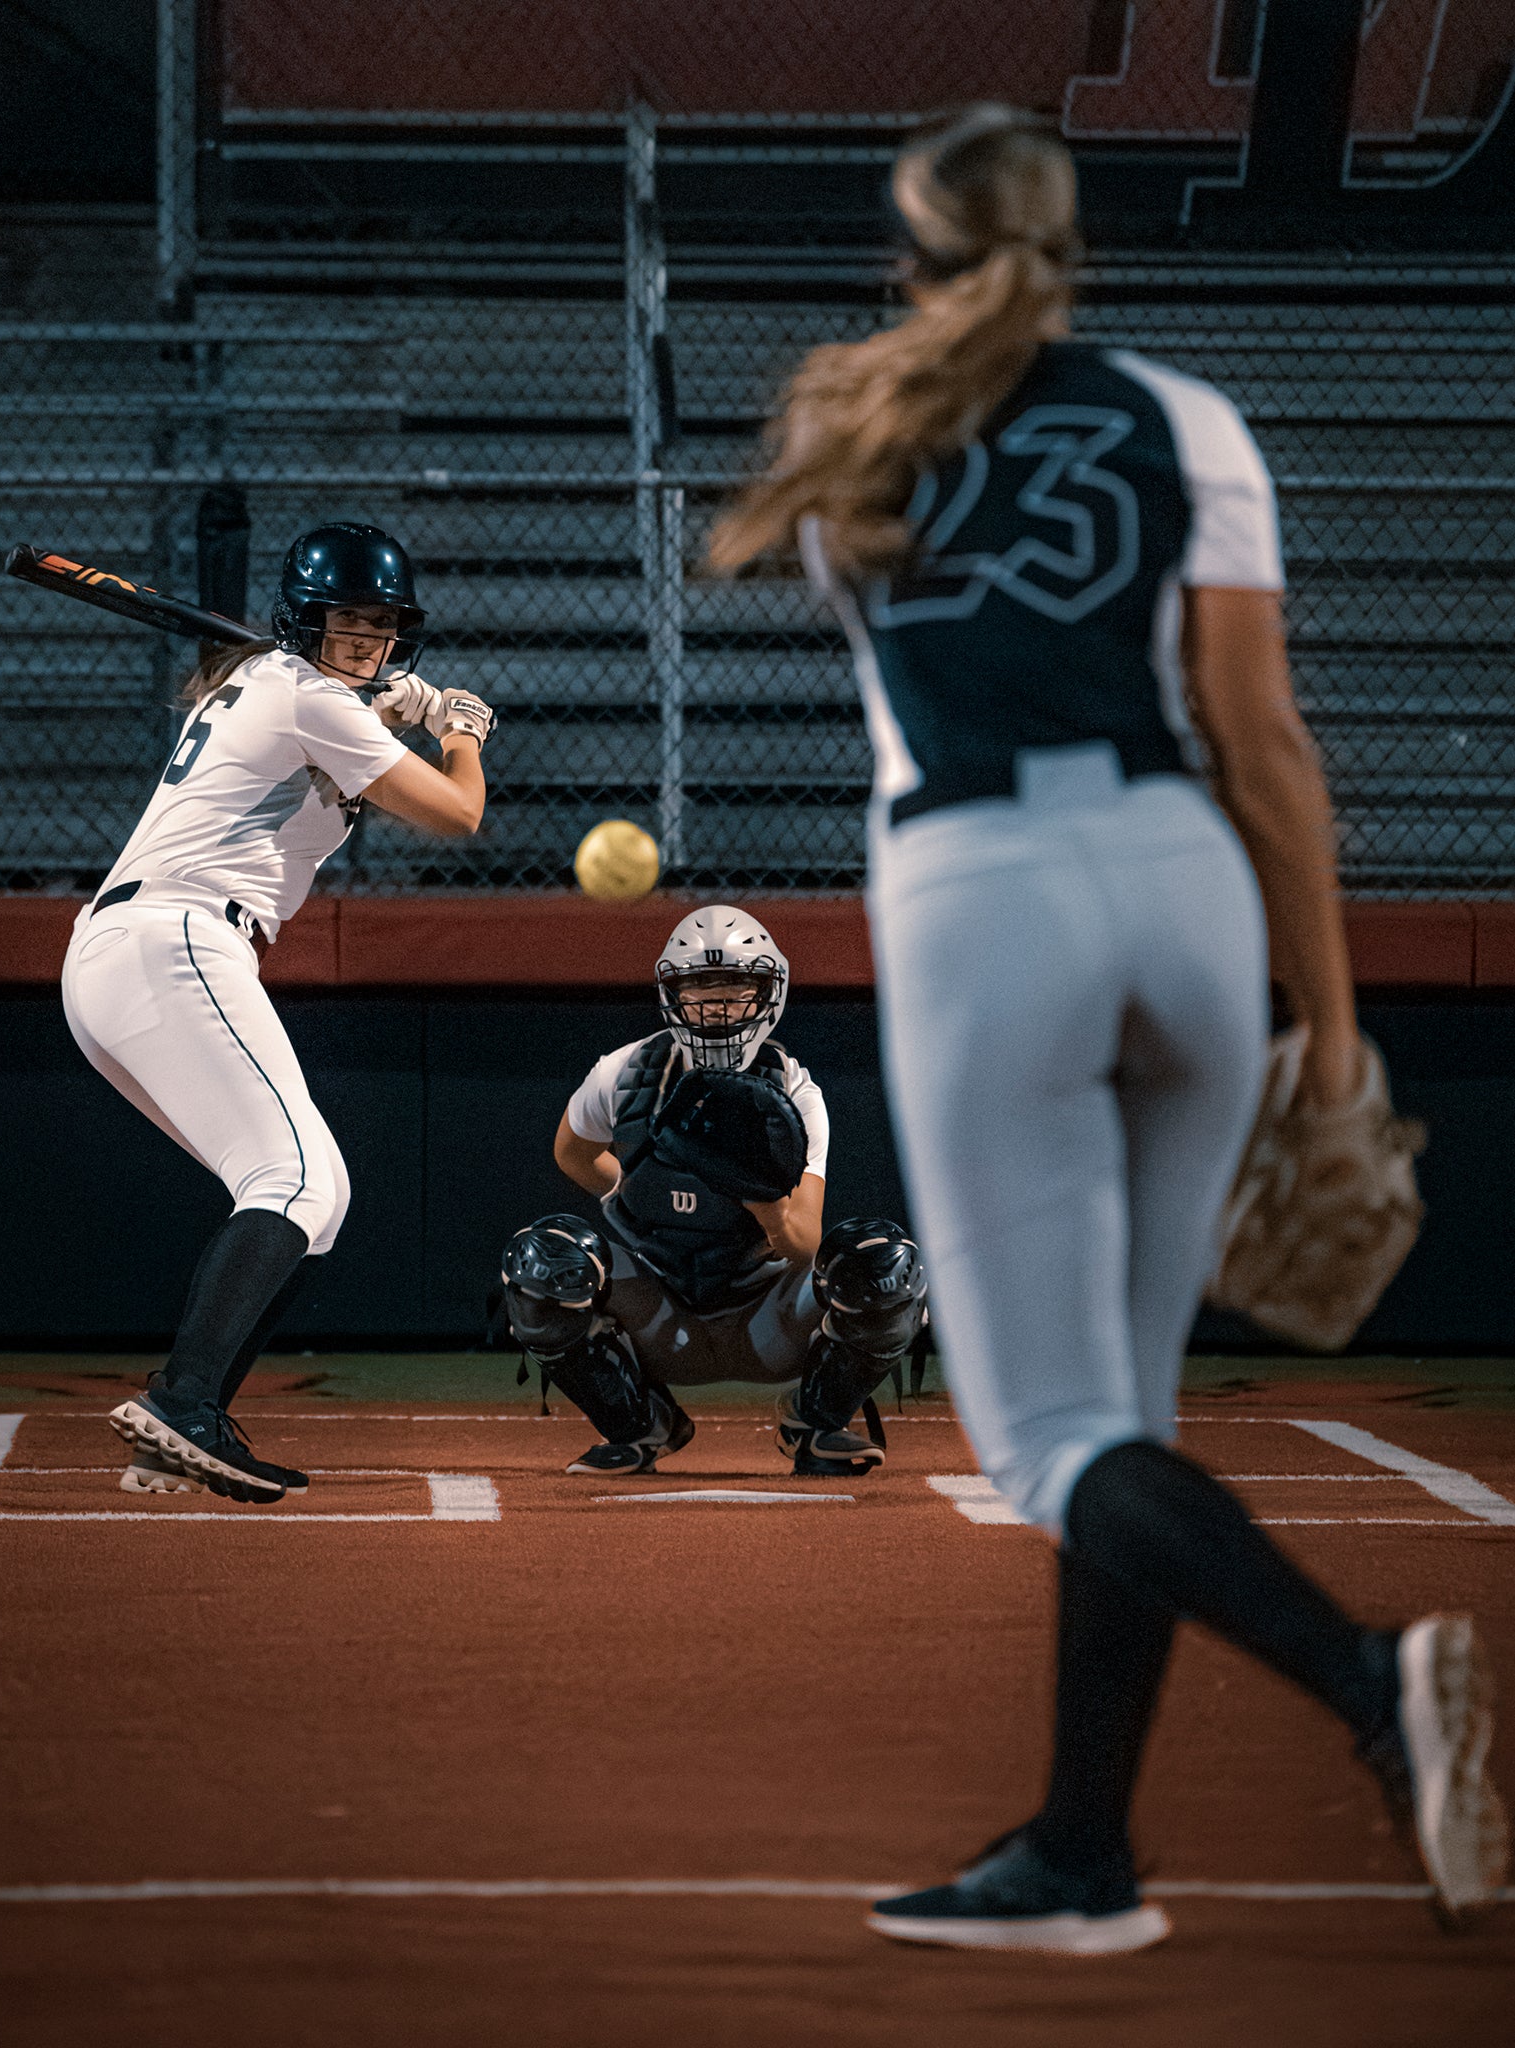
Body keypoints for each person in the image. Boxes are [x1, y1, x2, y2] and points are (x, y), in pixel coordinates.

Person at [709, 106, 1505, 1948]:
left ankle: (1373, 1680)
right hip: (1187, 874)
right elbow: (1265, 740)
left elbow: (877, 595)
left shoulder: (860, 429)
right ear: (1072, 245)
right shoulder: (1187, 416)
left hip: (985, 884)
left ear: (908, 249)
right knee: (1124, 1412)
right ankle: (1082, 1845)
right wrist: (1336, 1025)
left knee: (1056, 1436)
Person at [62, 523, 495, 1505]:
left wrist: (385, 701)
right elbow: (459, 813)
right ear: (305, 618)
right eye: (348, 619)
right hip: (174, 942)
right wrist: (461, 727)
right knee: (295, 1176)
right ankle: (184, 1402)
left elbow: (337, 720)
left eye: (382, 623)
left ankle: (186, 1413)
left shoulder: (277, 688)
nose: (367, 638)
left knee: (314, 1192)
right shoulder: (303, 694)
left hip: (133, 954)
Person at [500, 904, 927, 1477]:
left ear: (769, 993)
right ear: (673, 995)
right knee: (541, 1260)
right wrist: (630, 1194)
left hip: (765, 1317)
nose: (720, 1006)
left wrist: (752, 1188)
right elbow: (571, 1152)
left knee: (884, 1266)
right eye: (701, 990)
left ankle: (815, 1421)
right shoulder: (625, 1073)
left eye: (736, 989)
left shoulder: (796, 1093)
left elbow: (804, 1243)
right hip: (659, 1308)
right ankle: (638, 1423)